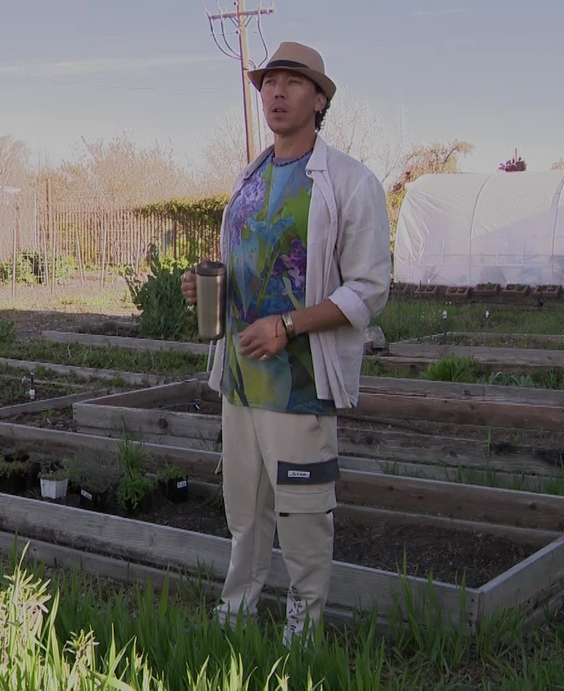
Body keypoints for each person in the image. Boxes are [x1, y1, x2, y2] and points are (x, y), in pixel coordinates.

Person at [181, 41, 391, 643]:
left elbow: (370, 288)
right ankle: (236, 611)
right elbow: (244, 265)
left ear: (319, 99)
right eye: (270, 81)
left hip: (300, 384)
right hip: (242, 379)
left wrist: (289, 325)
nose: (276, 92)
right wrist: (207, 288)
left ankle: (305, 628)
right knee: (244, 510)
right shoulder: (249, 177)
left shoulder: (349, 182)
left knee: (303, 514)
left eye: (293, 83)